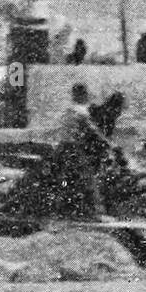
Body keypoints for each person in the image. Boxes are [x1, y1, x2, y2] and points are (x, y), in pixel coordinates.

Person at [55, 83, 106, 217]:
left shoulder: (68, 110)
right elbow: (93, 130)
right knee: (88, 178)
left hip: (62, 147)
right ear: (82, 95)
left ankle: (62, 208)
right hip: (73, 147)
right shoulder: (81, 111)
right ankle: (96, 212)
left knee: (64, 178)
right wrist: (109, 143)